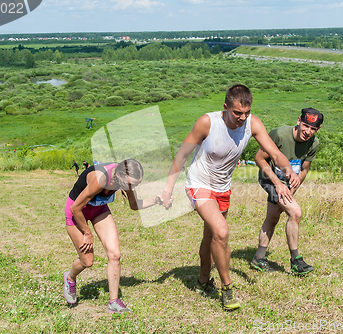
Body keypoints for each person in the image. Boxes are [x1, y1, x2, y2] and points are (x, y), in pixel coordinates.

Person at [160, 84, 298, 310]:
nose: (242, 118)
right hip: (199, 183)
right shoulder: (208, 123)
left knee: (211, 236)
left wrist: (288, 169)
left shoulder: (253, 123)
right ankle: (227, 289)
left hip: (222, 188)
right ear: (225, 107)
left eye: (246, 112)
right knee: (222, 231)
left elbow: (274, 153)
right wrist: (167, 190)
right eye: (237, 113)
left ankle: (203, 280)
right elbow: (182, 155)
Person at [63, 159, 162, 314]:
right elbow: (76, 208)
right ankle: (70, 278)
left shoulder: (125, 179)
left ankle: (114, 302)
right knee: (87, 261)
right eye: (130, 184)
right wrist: (87, 233)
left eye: (135, 184)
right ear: (119, 176)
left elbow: (134, 204)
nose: (132, 188)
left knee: (115, 254)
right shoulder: (100, 179)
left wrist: (157, 200)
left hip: (99, 210)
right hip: (77, 212)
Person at [251, 108, 323, 275]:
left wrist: (297, 182)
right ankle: (296, 261)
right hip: (269, 178)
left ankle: (258, 258)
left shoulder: (314, 143)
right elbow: (259, 158)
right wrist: (277, 183)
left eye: (313, 129)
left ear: (317, 129)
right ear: (299, 121)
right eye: (305, 126)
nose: (308, 132)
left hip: (287, 182)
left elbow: (304, 169)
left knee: (273, 217)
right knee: (295, 212)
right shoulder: (279, 134)